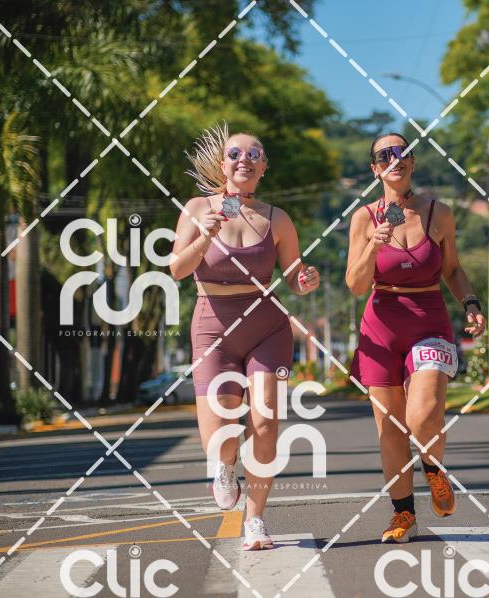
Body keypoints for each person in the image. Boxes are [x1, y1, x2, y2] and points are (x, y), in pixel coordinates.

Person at [171, 123, 319, 550]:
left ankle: (255, 519)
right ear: (223, 165)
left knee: (266, 421)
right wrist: (205, 236)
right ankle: (225, 466)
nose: (245, 161)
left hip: (265, 326)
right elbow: (177, 269)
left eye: (254, 155)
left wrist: (306, 280)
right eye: (236, 154)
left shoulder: (277, 219)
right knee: (218, 437)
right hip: (213, 328)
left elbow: (294, 275)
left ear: (264, 167)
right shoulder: (198, 208)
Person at [346, 132, 486, 543]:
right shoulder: (363, 219)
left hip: (429, 321)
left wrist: (470, 302)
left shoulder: (438, 213)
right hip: (380, 327)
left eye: (402, 152)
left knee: (422, 416)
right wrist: (373, 246)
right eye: (384, 155)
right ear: (375, 169)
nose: (395, 159)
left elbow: (452, 270)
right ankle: (403, 514)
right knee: (391, 430)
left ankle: (433, 467)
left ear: (412, 162)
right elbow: (356, 284)